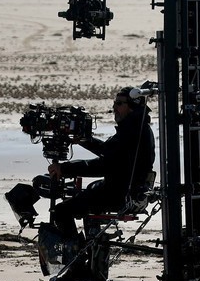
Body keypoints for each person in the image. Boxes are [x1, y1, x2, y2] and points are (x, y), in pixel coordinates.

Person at [46, 87, 155, 240]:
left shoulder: (131, 132)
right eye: (114, 103)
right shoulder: (138, 128)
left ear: (131, 107)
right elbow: (110, 152)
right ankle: (93, 244)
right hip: (130, 190)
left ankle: (76, 255)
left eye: (119, 103)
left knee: (61, 211)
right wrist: (85, 141)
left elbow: (104, 165)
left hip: (119, 194)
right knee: (90, 190)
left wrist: (63, 168)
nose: (114, 108)